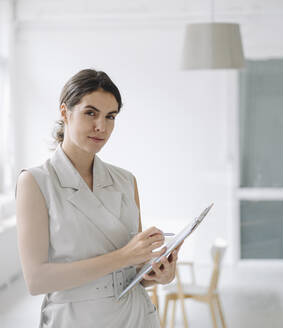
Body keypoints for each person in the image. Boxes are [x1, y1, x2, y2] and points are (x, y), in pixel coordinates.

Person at [15, 69, 183, 327]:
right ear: (65, 112)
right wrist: (125, 256)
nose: (101, 127)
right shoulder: (36, 182)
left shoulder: (126, 181)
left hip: (135, 316)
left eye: (110, 116)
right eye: (90, 113)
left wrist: (159, 275)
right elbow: (37, 280)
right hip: (77, 319)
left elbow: (133, 270)